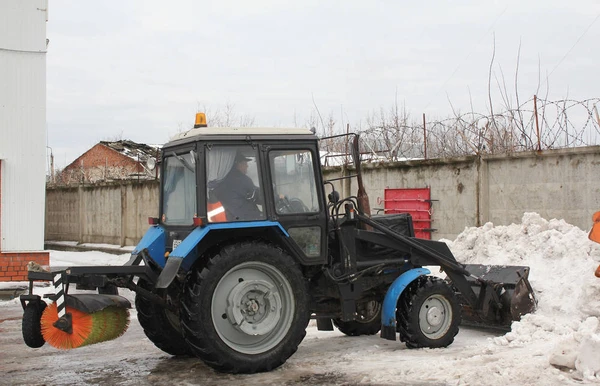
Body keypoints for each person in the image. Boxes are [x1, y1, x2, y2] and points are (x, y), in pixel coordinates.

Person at [214, 152, 264, 221]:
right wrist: (275, 198)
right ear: (238, 164)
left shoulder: (222, 180)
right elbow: (257, 196)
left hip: (231, 218)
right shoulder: (242, 180)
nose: (247, 166)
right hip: (247, 218)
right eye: (244, 163)